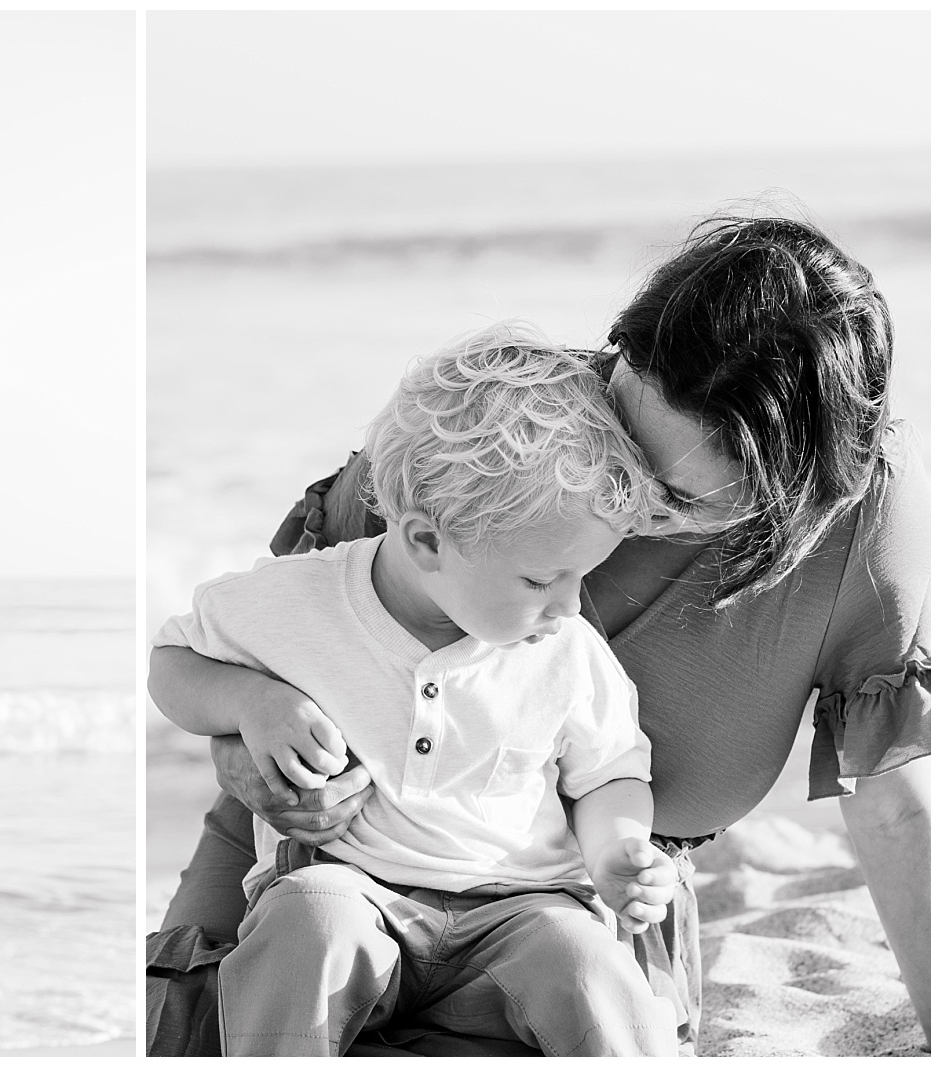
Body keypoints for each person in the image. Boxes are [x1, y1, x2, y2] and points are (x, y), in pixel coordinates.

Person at [147, 214, 930, 1056]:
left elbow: (893, 807)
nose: (629, 499)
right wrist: (251, 734)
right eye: (626, 432)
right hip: (327, 871)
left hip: (560, 910)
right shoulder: (485, 444)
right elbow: (257, 642)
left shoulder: (865, 533)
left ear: (800, 492)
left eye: (683, 500)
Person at [152, 325, 680, 1056]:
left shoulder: (565, 648)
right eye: (539, 579)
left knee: (589, 967)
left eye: (579, 577)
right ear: (427, 540)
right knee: (306, 920)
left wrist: (618, 849)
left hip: (521, 909)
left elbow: (611, 770)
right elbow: (171, 664)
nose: (568, 605)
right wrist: (251, 701)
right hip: (352, 887)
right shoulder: (292, 602)